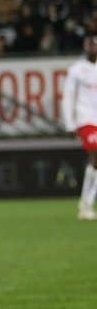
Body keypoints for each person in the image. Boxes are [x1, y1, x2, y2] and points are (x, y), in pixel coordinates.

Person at [61, 34, 97, 221]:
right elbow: (68, 96)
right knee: (95, 153)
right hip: (86, 119)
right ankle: (86, 204)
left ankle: (86, 203)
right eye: (89, 44)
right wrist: (69, 123)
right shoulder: (77, 69)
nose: (92, 47)